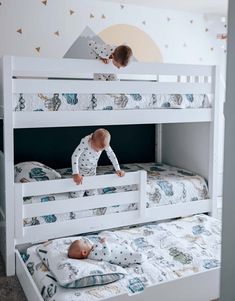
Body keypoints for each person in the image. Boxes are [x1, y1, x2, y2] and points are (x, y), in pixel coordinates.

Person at [72, 128, 125, 196]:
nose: (97, 151)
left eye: (101, 150)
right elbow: (75, 156)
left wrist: (118, 169)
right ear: (91, 141)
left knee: (93, 193)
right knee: (77, 194)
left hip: (92, 171)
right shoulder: (85, 141)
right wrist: (76, 173)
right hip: (80, 171)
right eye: (96, 148)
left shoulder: (104, 143)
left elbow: (111, 155)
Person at [68, 237, 144, 267]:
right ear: (84, 252)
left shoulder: (92, 249)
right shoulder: (94, 254)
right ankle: (142, 256)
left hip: (121, 248)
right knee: (139, 256)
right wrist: (104, 243)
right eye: (85, 242)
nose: (87, 241)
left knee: (126, 243)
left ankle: (132, 247)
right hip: (123, 256)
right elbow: (107, 254)